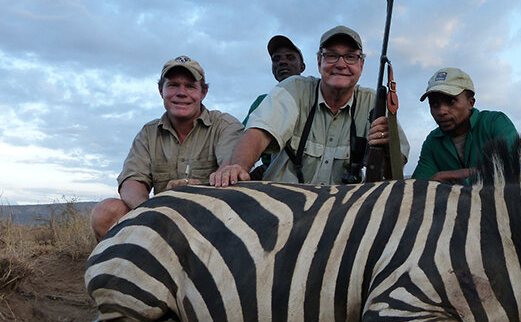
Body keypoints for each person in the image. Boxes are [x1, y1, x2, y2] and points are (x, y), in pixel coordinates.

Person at [210, 25, 409, 186]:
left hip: (343, 214)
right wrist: (237, 166)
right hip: (284, 205)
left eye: (350, 57)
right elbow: (258, 133)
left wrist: (387, 147)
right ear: (319, 61)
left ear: (361, 65)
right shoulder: (294, 89)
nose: (341, 64)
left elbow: (395, 170)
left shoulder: (372, 102)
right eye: (331, 55)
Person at [90, 56, 244, 241]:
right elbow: (131, 181)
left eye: (190, 86)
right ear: (161, 91)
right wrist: (151, 210)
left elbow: (230, 167)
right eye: (173, 85)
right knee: (107, 211)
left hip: (211, 222)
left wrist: (194, 192)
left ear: (203, 93)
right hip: (160, 222)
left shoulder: (225, 125)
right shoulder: (148, 133)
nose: (181, 92)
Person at [412, 67, 517, 183]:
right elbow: (419, 186)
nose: (441, 111)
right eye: (434, 104)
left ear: (470, 103)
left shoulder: (495, 123)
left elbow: (515, 168)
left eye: (451, 101)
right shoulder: (432, 141)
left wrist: (447, 175)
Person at [243, 35, 306, 179]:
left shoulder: (316, 98)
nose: (282, 62)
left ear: (302, 66)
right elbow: (242, 139)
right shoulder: (262, 101)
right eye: (276, 59)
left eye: (290, 57)